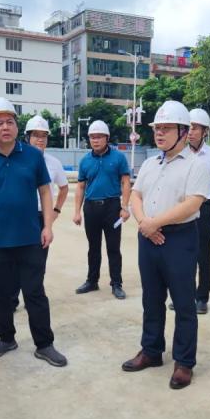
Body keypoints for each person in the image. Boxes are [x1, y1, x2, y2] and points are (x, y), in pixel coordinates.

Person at [0, 97, 67, 367]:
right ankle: (6, 338)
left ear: (16, 126)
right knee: (0, 294)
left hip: (30, 238)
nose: (5, 127)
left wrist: (47, 226)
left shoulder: (33, 156)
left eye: (10, 121)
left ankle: (44, 344)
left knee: (35, 293)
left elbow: (45, 191)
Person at [122, 101, 210, 390]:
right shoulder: (150, 163)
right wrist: (144, 224)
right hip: (148, 236)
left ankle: (184, 362)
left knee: (184, 303)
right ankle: (151, 350)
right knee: (151, 298)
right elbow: (135, 195)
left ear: (183, 132)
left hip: (179, 238)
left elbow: (192, 204)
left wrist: (154, 223)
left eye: (166, 128)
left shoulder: (197, 165)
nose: (159, 133)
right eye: (157, 128)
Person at [169, 108, 210, 314]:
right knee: (182, 254)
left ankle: (202, 298)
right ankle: (183, 296)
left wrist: (208, 200)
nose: (191, 132)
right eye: (188, 128)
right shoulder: (178, 154)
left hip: (203, 209)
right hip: (180, 208)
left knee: (203, 254)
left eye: (195, 128)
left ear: (205, 131)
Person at [12, 114, 69, 311]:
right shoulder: (16, 160)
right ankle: (12, 299)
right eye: (36, 135)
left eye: (44, 135)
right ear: (27, 137)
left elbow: (64, 188)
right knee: (15, 260)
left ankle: (33, 298)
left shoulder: (53, 163)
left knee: (37, 262)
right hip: (19, 217)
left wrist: (55, 211)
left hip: (40, 217)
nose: (40, 139)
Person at [72, 120, 131, 299]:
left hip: (112, 207)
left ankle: (116, 283)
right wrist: (77, 211)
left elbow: (125, 182)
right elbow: (80, 187)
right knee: (93, 247)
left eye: (99, 137)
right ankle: (92, 281)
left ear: (107, 138)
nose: (95, 140)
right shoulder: (85, 161)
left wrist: (124, 207)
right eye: (92, 137)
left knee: (113, 248)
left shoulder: (118, 158)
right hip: (91, 208)